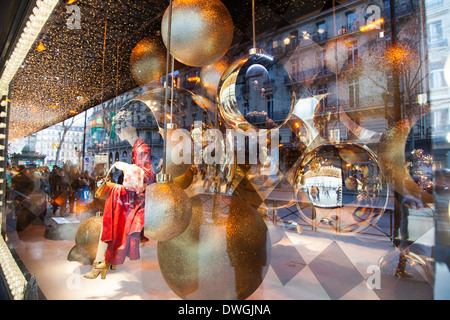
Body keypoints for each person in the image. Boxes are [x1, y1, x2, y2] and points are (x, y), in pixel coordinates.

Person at [83, 107, 156, 279]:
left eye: (119, 129)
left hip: (132, 201)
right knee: (109, 225)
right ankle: (105, 261)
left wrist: (127, 167)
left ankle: (102, 262)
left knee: (108, 225)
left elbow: (147, 177)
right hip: (130, 198)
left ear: (129, 128)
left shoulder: (140, 148)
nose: (117, 133)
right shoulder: (136, 147)